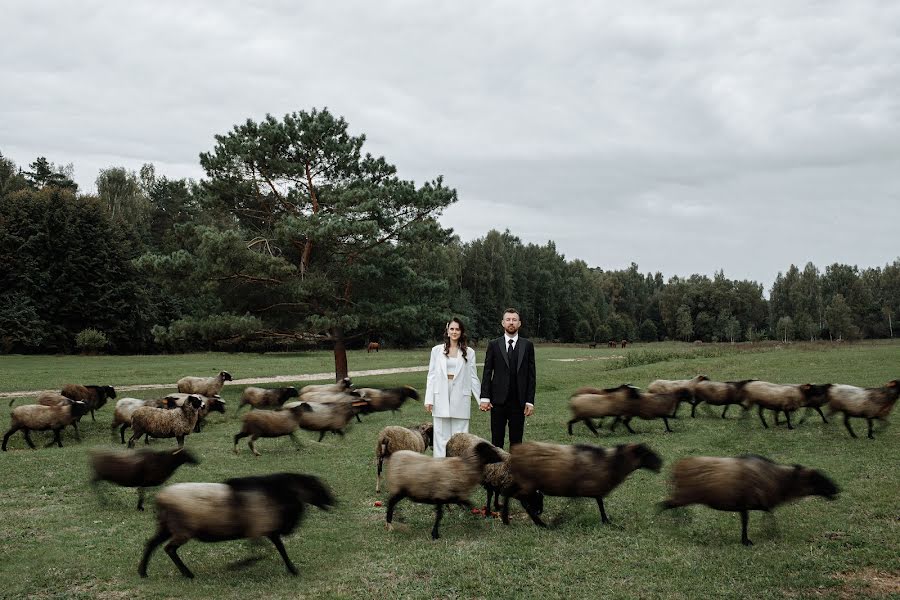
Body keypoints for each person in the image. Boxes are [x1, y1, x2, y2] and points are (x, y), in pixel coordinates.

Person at [423, 318, 481, 457]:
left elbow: (473, 377)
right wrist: (429, 399)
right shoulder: (436, 351)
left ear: (461, 332)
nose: (454, 332)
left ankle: (459, 469)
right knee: (440, 437)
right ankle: (441, 469)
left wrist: (481, 399)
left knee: (460, 437)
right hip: (440, 395)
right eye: (452, 329)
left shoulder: (469, 352)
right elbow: (431, 376)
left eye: (457, 329)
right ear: (447, 331)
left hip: (461, 397)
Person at [479, 308, 536, 448]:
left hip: (519, 401)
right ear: (503, 323)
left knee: (516, 442)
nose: (511, 323)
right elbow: (487, 371)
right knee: (496, 441)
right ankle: (496, 469)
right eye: (508, 320)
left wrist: (530, 401)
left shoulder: (527, 345)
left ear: (519, 323)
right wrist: (485, 397)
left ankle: (514, 469)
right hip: (497, 401)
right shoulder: (494, 344)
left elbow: (531, 375)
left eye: (514, 320)